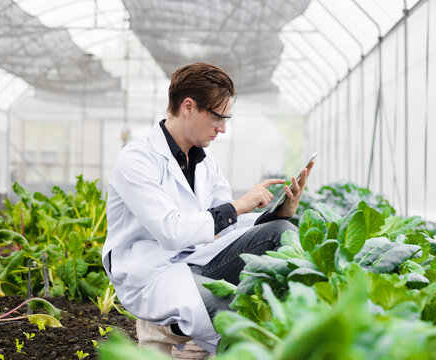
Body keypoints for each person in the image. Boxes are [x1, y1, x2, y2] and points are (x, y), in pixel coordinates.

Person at [101, 62, 313, 354]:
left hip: (195, 261)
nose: (223, 128)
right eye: (218, 117)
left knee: (281, 231)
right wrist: (237, 206)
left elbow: (224, 226)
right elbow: (170, 232)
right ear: (188, 107)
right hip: (150, 276)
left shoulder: (205, 162)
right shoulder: (137, 160)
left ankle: (301, 322)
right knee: (229, 316)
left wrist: (277, 213)